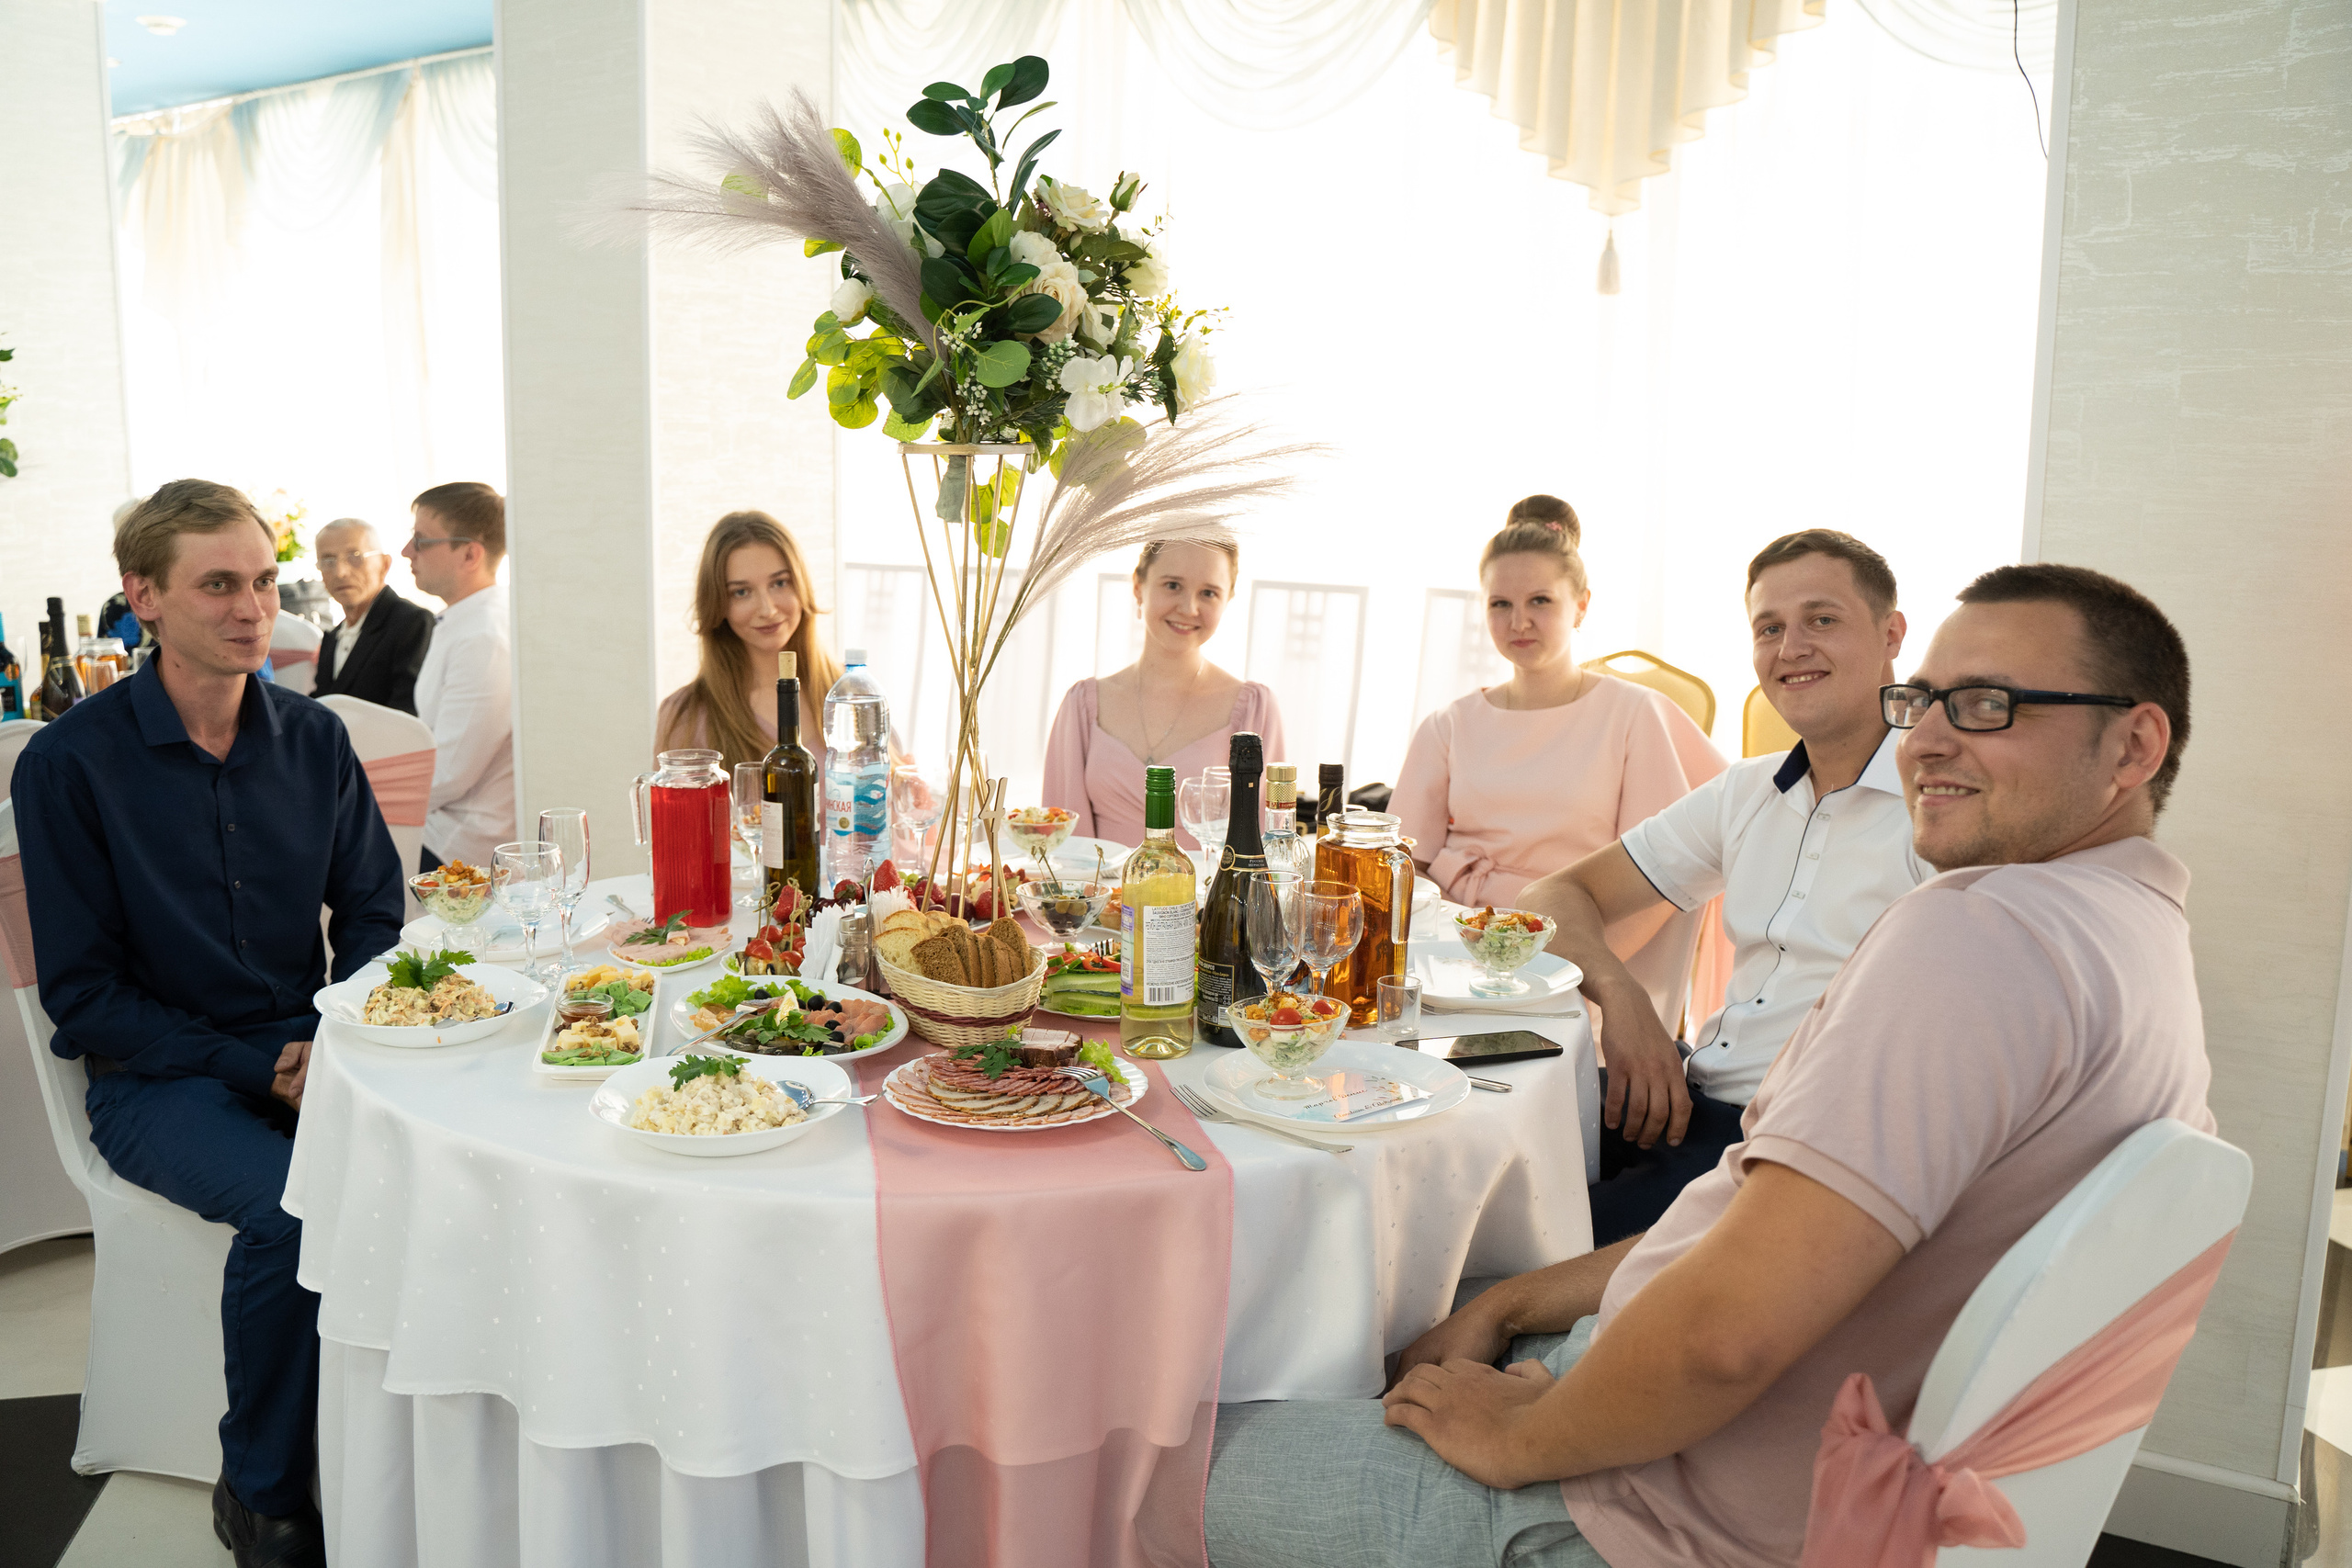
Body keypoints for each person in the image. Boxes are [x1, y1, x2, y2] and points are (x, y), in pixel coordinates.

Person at [1204, 561, 2208, 1568]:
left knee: (1141, 1451)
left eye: (1989, 706)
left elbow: (1721, 1339)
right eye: (1929, 702)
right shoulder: (2136, 937)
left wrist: (1518, 1438)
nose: (1931, 739)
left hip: (1641, 1512)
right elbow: (1755, 1243)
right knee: (1436, 1311)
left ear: (2133, 743)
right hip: (1724, 1453)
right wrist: (1508, 1311)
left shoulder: (1973, 932)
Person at [13, 480, 406, 1568]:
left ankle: (402, 1455)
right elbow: (85, 998)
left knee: (450, 1164)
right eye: (219, 584)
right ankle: (266, 1497)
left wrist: (331, 1039)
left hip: (314, 1049)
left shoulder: (314, 741)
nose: (252, 608)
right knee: (290, 1216)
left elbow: (374, 908)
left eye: (263, 583)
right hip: (156, 1080)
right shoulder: (69, 765)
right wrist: (258, 1062)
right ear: (144, 596)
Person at [1522, 530, 1931, 1246]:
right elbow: (1551, 898)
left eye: (1822, 620)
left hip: (1783, 1149)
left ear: (1892, 633)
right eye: (1769, 628)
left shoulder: (1938, 808)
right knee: (1488, 1155)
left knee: (1521, 1247)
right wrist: (1626, 1002)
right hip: (1688, 1098)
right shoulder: (1747, 789)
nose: (1790, 647)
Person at [1390, 497, 1723, 1022]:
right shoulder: (1448, 724)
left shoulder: (1632, 715)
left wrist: (1577, 971)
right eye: (1500, 604)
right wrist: (1450, 954)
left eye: (1540, 601)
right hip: (1454, 959)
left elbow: (1660, 880)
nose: (1519, 621)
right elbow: (1407, 866)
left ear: (1582, 605)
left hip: (1576, 962)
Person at [1042, 537, 1285, 847]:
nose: (1189, 608)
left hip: (1209, 895)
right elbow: (1062, 845)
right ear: (1137, 586)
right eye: (1172, 585)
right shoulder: (1083, 705)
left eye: (1208, 593)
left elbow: (1265, 848)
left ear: (1228, 600)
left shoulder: (1256, 709)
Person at [656, 509, 842, 774]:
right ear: (718, 605)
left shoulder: (852, 695)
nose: (767, 609)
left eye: (779, 583)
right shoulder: (685, 715)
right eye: (741, 592)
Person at [403, 481, 514, 872]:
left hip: (461, 847)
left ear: (470, 554)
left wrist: (365, 799)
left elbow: (450, 773)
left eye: (421, 540)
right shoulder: (464, 620)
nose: (406, 552)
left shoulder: (484, 634)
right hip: (439, 826)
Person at [310, 517, 434, 713]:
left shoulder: (412, 623)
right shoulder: (332, 638)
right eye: (328, 560)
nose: (340, 572)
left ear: (384, 564)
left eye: (355, 557)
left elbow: (408, 712)